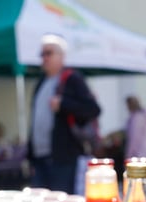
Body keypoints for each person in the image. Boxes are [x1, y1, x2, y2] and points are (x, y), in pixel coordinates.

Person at [27, 34, 101, 193]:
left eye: (49, 53)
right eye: (42, 54)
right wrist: (30, 156)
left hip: (63, 158)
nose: (44, 58)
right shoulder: (41, 81)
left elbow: (93, 109)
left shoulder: (72, 79)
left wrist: (63, 104)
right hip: (40, 159)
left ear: (62, 56)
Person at [125, 95, 146, 168]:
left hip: (140, 154)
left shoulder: (137, 118)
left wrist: (128, 155)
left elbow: (134, 138)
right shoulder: (142, 116)